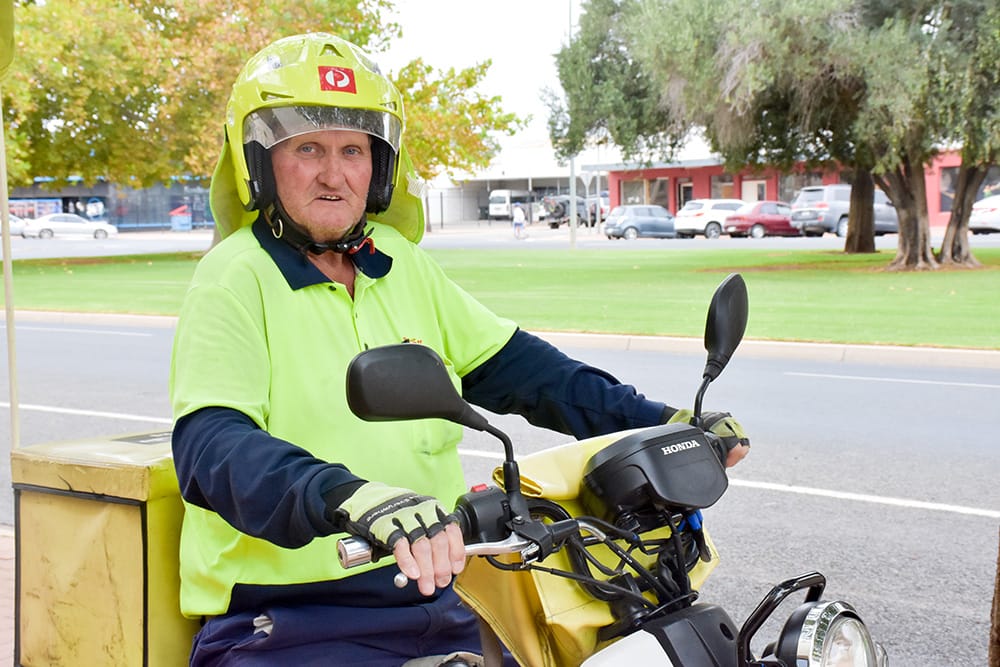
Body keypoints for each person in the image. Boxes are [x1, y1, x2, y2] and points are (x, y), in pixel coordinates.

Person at [169, 32, 750, 667]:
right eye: (307, 148)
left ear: (379, 165)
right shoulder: (235, 277)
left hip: (440, 598)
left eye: (353, 150)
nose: (333, 174)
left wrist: (660, 421)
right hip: (293, 620)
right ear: (259, 161)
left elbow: (522, 371)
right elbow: (212, 446)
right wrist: (349, 497)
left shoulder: (401, 269)